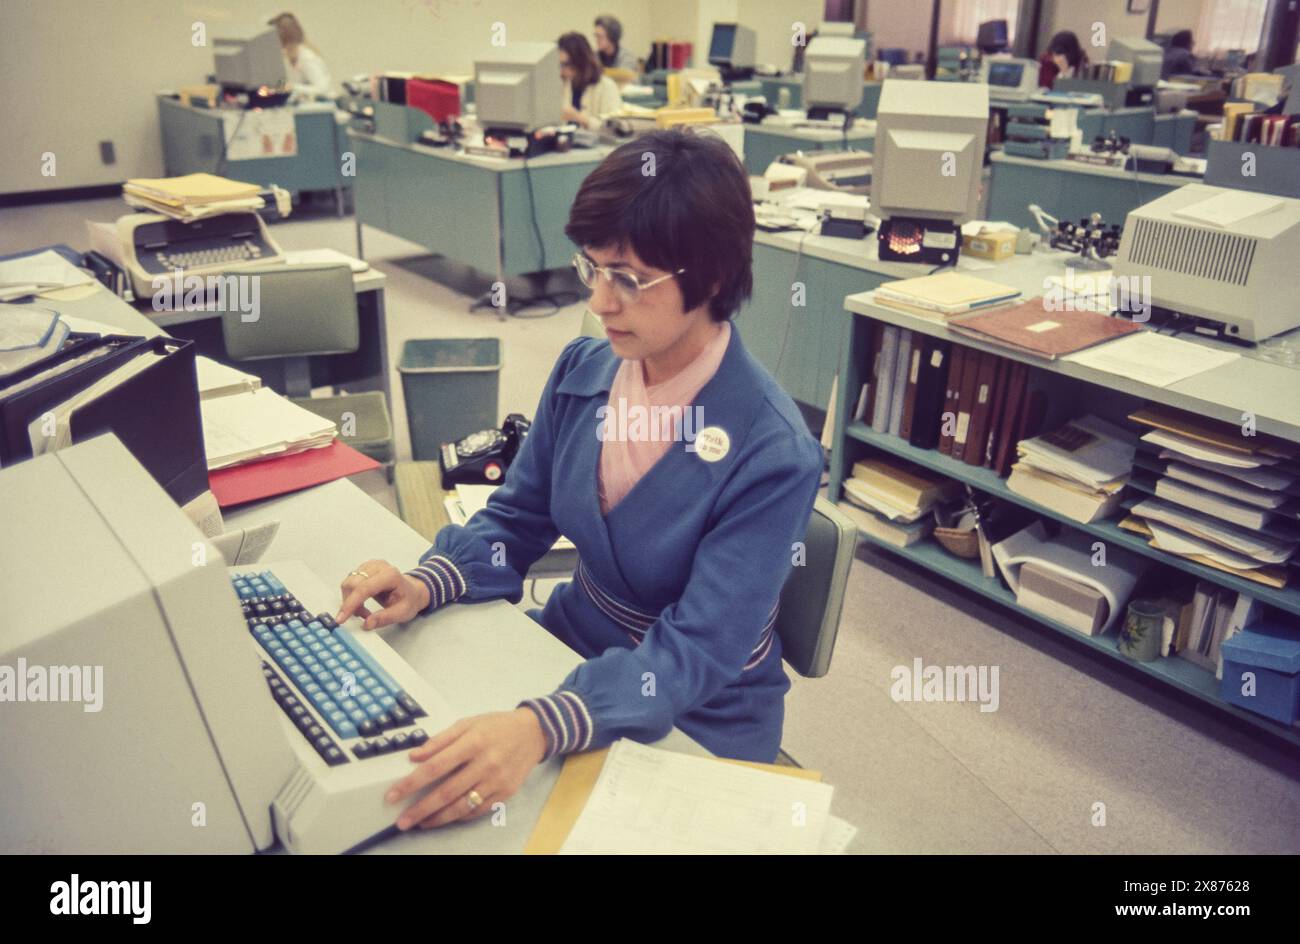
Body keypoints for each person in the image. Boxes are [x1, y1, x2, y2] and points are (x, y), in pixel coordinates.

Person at [337, 129, 824, 832]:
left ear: (711, 278)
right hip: (572, 642)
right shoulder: (583, 372)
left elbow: (697, 650)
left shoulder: (774, 449)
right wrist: (426, 583)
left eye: (629, 278)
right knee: (424, 763)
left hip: (699, 709)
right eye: (592, 268)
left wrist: (543, 725)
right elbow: (514, 522)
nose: (599, 300)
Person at [558, 31, 623, 130]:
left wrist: (580, 118)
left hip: (602, 144)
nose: (561, 71)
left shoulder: (606, 86)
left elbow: (614, 130)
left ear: (581, 61)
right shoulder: (563, 84)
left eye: (566, 64)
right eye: (559, 65)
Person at [268, 12, 332, 99]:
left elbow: (322, 89)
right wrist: (274, 88)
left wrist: (293, 87)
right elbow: (284, 84)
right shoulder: (286, 57)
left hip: (322, 106)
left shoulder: (306, 57)